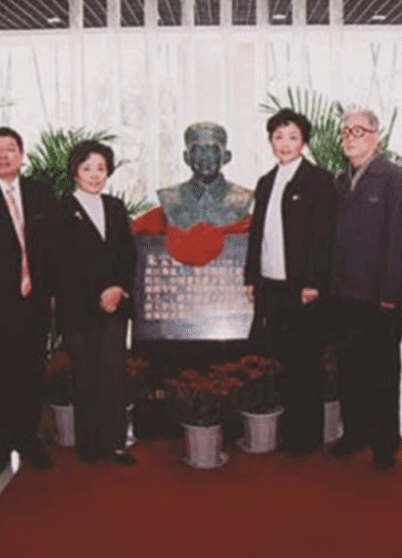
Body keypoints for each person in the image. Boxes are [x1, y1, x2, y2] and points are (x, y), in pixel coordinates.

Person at [0, 127, 58, 476]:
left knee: (30, 372)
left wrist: (52, 293)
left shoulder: (41, 194)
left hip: (34, 300)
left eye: (10, 149)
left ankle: (28, 439)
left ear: (22, 155)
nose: (3, 156)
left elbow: (53, 249)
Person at [244, 108, 336, 456]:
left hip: (302, 289)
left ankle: (305, 438)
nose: (285, 144)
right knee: (281, 360)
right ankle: (288, 432)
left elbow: (323, 237)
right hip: (271, 287)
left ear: (304, 141)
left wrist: (314, 282)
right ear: (271, 141)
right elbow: (257, 234)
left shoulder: (319, 181)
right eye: (278, 137)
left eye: (293, 137)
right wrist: (251, 277)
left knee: (305, 363)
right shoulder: (266, 181)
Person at [328, 109, 402, 469]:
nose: (350, 137)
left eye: (359, 131)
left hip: (379, 298)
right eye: (346, 131)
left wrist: (391, 295)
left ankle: (384, 443)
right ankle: (354, 433)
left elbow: (400, 239)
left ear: (376, 137)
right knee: (349, 370)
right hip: (344, 295)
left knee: (381, 373)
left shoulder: (393, 179)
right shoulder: (339, 181)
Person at [56, 140, 136, 466]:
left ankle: (116, 444)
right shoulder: (61, 209)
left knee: (113, 375)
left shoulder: (115, 207)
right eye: (87, 168)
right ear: (75, 172)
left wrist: (118, 288)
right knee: (86, 375)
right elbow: (62, 265)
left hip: (115, 306)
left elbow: (128, 254)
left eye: (101, 168)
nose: (94, 175)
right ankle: (89, 445)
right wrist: (97, 295)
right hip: (79, 308)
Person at [132, 121, 253, 266]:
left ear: (226, 157)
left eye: (212, 150)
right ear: (186, 157)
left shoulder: (240, 199)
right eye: (197, 150)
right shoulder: (171, 199)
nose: (205, 157)